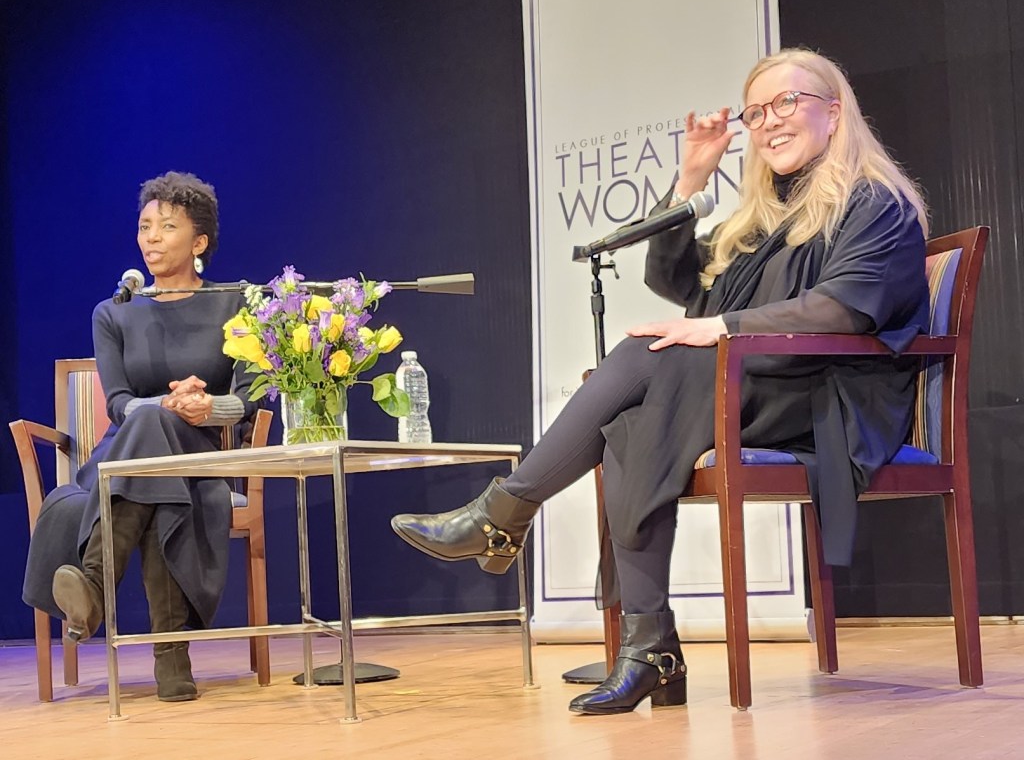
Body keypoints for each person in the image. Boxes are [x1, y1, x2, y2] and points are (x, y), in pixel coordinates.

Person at [391, 48, 930, 716]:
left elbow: (842, 310)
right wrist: (688, 183)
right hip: (760, 387)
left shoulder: (876, 203)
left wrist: (722, 326)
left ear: (833, 110)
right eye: (757, 112)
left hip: (829, 400)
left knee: (655, 356)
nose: (770, 121)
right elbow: (679, 281)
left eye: (787, 102)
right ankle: (647, 644)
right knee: (629, 416)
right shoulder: (767, 218)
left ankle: (507, 514)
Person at [22, 172, 259, 702]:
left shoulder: (236, 304)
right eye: (145, 226)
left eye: (167, 226)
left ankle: (94, 582)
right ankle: (170, 657)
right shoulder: (114, 312)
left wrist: (204, 407)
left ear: (198, 242)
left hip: (200, 454)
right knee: (151, 434)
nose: (151, 237)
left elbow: (249, 398)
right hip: (121, 454)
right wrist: (164, 404)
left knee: (161, 469)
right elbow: (119, 404)